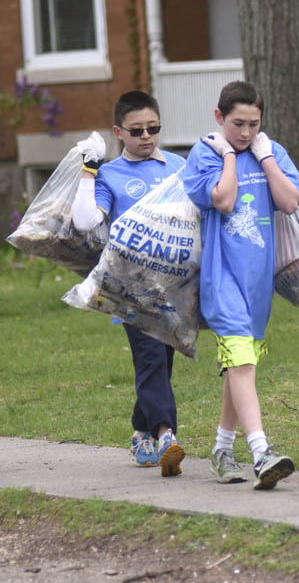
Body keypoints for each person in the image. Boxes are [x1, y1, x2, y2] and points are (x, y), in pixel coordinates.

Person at [181, 81, 299, 490]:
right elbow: (224, 200)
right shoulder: (205, 154)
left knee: (240, 364)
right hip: (223, 278)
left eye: (254, 124)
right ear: (219, 118)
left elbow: (289, 202)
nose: (247, 133)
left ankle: (220, 449)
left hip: (257, 284)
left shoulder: (271, 151)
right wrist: (230, 156)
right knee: (242, 360)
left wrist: (266, 159)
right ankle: (261, 452)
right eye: (238, 124)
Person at [71, 90, 187, 477]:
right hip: (131, 290)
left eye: (154, 128)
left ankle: (141, 431)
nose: (146, 136)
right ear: (119, 132)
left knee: (161, 365)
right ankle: (166, 435)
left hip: (173, 286)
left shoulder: (177, 166)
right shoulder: (110, 175)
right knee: (152, 359)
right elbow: (86, 221)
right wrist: (88, 171)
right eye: (137, 130)